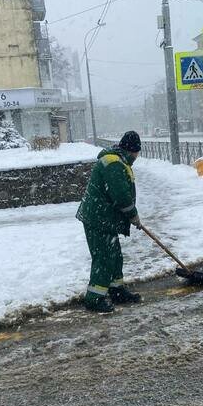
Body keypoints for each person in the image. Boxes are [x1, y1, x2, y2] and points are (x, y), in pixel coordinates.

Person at [76, 131, 143, 313]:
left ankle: (117, 290)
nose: (137, 156)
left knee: (114, 255)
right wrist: (133, 215)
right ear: (132, 150)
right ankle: (94, 298)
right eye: (137, 152)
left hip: (104, 218)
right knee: (104, 258)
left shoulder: (117, 160)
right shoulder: (113, 163)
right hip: (98, 218)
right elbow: (121, 196)